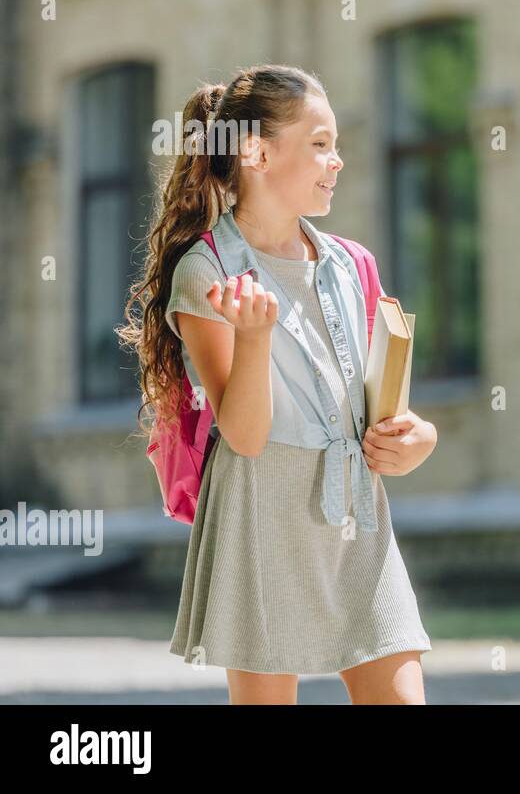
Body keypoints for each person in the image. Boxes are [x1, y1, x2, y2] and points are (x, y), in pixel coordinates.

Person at [121, 64, 437, 704]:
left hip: (358, 517)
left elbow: (388, 411)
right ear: (256, 151)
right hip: (262, 513)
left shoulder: (355, 264)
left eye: (337, 144)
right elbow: (244, 434)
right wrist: (256, 338)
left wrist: (418, 437)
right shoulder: (205, 271)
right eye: (320, 143)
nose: (337, 160)